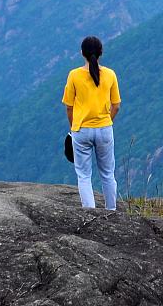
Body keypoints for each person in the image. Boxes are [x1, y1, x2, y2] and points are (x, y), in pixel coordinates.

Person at [62, 35, 120, 210]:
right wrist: (106, 121)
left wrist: (74, 127)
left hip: (82, 130)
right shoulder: (110, 74)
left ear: (82, 53)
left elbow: (69, 107)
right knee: (108, 174)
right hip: (104, 129)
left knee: (84, 175)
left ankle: (90, 211)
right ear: (101, 53)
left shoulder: (74, 75)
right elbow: (116, 105)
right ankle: (112, 210)